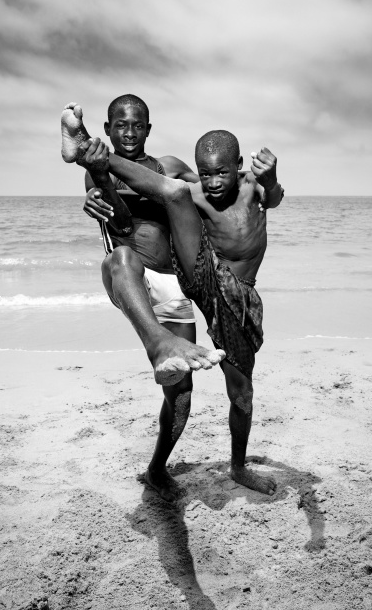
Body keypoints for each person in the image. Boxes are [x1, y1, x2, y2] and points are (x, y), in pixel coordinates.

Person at [61, 108, 284, 496]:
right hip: (169, 274)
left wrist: (271, 179)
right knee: (162, 211)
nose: (213, 182)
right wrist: (95, 190)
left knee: (227, 393)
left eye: (221, 172)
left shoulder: (225, 180)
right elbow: (132, 211)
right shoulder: (175, 184)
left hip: (215, 291)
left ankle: (225, 467)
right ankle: (83, 146)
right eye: (207, 173)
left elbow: (266, 196)